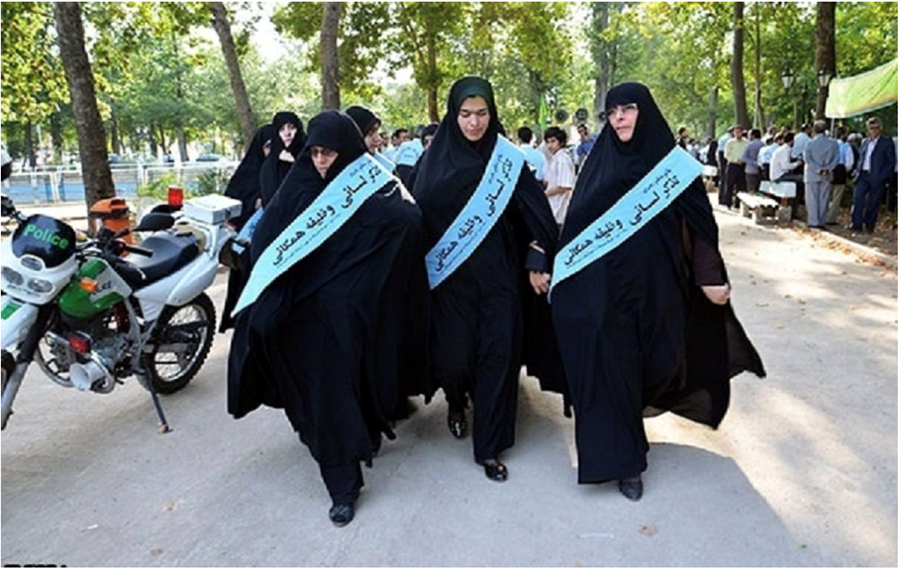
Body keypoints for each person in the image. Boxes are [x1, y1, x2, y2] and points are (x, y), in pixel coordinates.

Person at [549, 82, 764, 502]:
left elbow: (701, 227)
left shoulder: (674, 166)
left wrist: (710, 276)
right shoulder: (598, 164)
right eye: (612, 112)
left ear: (644, 111)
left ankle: (632, 423)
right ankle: (623, 460)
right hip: (603, 290)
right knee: (612, 365)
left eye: (627, 109)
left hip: (658, 288)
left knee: (656, 361)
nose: (620, 118)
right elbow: (576, 226)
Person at [228, 110, 433, 527]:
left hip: (354, 318)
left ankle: (362, 433)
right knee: (324, 400)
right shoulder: (298, 187)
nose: (322, 161)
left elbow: (408, 222)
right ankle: (342, 485)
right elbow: (267, 246)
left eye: (330, 153)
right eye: (316, 152)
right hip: (301, 323)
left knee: (356, 387)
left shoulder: (372, 190)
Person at [412, 76, 558, 482]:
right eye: (465, 114)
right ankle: (456, 401)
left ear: (492, 115)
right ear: (452, 114)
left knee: (498, 359)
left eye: (481, 114)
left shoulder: (508, 161)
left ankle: (489, 446)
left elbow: (539, 220)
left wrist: (535, 257)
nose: (473, 123)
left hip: (500, 282)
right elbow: (413, 220)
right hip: (449, 283)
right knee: (455, 359)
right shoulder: (433, 161)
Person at [219, 123, 275, 332]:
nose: (272, 151)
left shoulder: (284, 171)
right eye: (268, 146)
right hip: (246, 245)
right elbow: (231, 202)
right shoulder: (249, 171)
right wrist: (254, 203)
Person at [850, 117, 896, 232]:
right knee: (858, 199)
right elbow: (861, 157)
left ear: (880, 128)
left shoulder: (886, 142)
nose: (874, 130)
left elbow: (891, 161)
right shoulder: (865, 141)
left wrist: (883, 176)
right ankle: (856, 224)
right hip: (863, 175)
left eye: (876, 128)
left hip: (877, 176)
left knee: (873, 202)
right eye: (871, 128)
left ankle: (869, 225)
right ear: (868, 129)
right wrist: (857, 170)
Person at [259, 111, 305, 206]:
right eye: (282, 129)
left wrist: (295, 163)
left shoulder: (313, 156)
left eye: (291, 128)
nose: (287, 133)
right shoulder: (271, 164)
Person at [803, 121, 839, 229]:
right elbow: (836, 158)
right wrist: (827, 169)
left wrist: (818, 169)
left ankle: (813, 221)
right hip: (827, 174)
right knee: (824, 198)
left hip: (812, 174)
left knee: (811, 198)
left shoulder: (809, 143)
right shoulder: (833, 143)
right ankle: (822, 221)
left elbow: (807, 159)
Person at [543, 126, 575, 231]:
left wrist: (545, 194)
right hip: (554, 206)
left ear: (561, 142)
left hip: (560, 208)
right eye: (548, 142)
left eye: (553, 141)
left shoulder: (562, 159)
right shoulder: (555, 158)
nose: (550, 145)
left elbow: (565, 186)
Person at [721, 125, 747, 207]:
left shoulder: (746, 143)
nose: (738, 134)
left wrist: (743, 160)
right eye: (736, 132)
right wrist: (735, 160)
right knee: (729, 184)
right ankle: (728, 202)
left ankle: (738, 203)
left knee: (741, 185)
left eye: (739, 132)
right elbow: (726, 155)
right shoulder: (730, 142)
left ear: (742, 132)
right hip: (732, 165)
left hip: (742, 165)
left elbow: (747, 154)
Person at [741, 129, 764, 194]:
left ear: (753, 136)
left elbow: (744, 157)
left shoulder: (749, 145)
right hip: (761, 170)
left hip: (750, 170)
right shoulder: (763, 144)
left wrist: (753, 162)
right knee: (759, 190)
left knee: (751, 189)